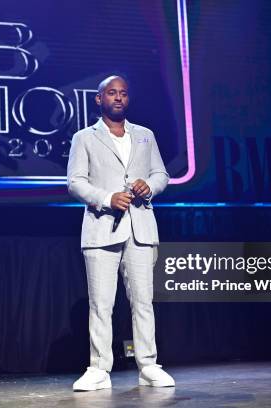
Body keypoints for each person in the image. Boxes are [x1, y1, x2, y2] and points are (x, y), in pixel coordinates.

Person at [67, 76, 175, 391]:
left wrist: (149, 186)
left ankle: (149, 365)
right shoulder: (84, 137)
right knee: (101, 303)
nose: (118, 98)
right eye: (112, 93)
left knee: (143, 300)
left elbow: (161, 174)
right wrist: (107, 198)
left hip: (140, 227)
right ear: (99, 99)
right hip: (103, 227)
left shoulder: (145, 135)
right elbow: (75, 182)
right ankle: (99, 368)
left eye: (123, 93)